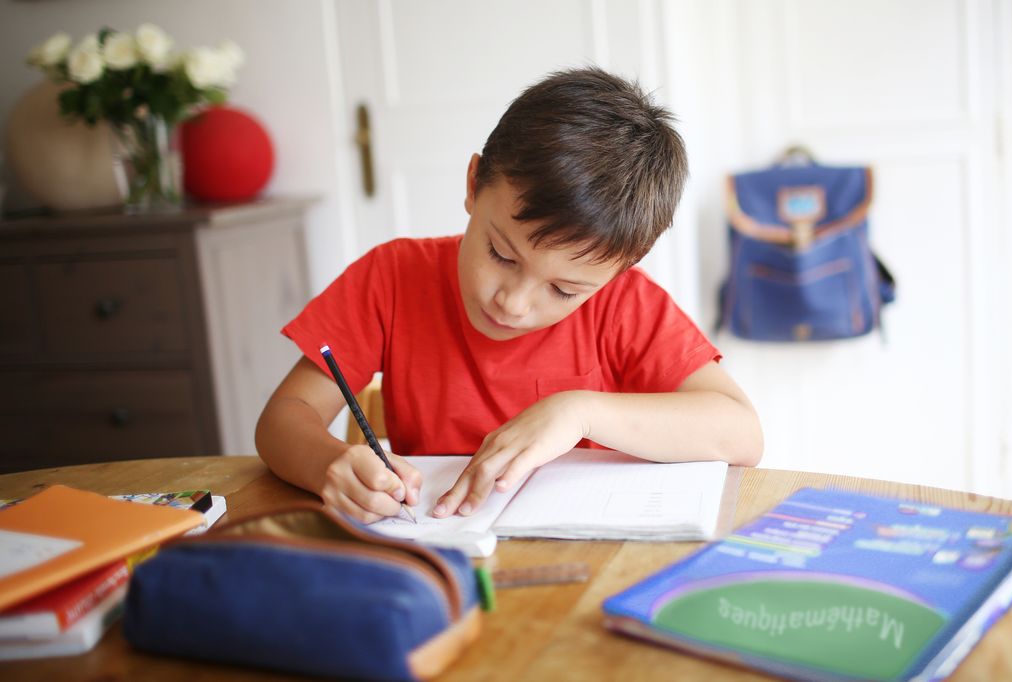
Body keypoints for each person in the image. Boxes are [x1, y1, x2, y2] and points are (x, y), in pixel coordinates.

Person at [255, 67, 763, 524]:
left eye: (564, 290)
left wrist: (578, 412)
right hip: (438, 548)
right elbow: (283, 418)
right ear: (474, 183)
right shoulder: (392, 277)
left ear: (619, 270)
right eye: (501, 254)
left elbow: (742, 433)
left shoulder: (622, 304)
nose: (513, 303)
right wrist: (328, 464)